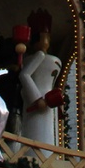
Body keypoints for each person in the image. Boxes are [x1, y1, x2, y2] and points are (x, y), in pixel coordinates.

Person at [18, 9, 63, 146]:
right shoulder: (39, 56)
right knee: (38, 132)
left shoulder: (48, 58)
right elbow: (24, 75)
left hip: (48, 101)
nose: (47, 41)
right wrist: (37, 99)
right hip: (40, 101)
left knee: (48, 132)